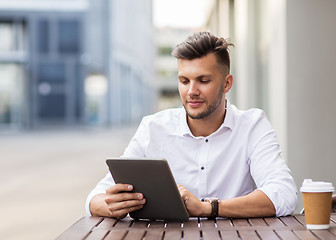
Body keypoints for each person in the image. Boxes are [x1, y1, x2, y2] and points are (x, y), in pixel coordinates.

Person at [86, 31, 297, 219]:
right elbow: (95, 197)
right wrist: (108, 205)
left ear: (227, 83)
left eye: (203, 81)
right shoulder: (153, 128)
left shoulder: (252, 125)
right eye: (184, 81)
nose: (191, 91)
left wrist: (209, 208)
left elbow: (284, 194)